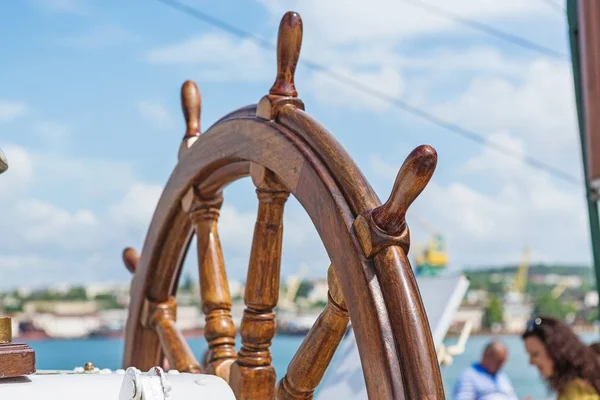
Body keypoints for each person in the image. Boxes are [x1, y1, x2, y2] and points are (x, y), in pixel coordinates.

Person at [522, 316, 600, 400]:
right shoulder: (579, 384)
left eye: (535, 354)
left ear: (555, 350)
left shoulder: (578, 391)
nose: (531, 362)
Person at [453, 339, 518, 399]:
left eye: (503, 362)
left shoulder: (501, 376)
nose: (501, 366)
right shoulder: (469, 376)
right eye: (498, 361)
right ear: (486, 356)